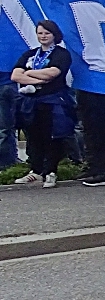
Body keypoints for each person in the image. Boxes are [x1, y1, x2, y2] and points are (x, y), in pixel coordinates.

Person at [11, 19, 75, 187]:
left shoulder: (61, 54)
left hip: (53, 100)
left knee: (53, 136)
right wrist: (38, 77)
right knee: (33, 137)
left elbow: (53, 73)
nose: (43, 36)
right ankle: (36, 170)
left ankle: (51, 171)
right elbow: (16, 75)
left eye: (47, 33)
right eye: (40, 33)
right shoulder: (30, 54)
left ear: (54, 35)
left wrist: (30, 73)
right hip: (31, 102)